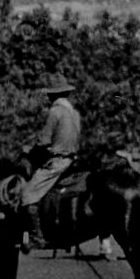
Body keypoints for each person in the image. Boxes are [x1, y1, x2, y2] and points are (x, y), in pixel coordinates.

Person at [16, 76, 82, 210]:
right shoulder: (75, 113)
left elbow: (43, 141)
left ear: (53, 95)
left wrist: (28, 150)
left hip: (57, 162)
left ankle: (35, 231)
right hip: (73, 160)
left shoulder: (55, 111)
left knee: (27, 194)